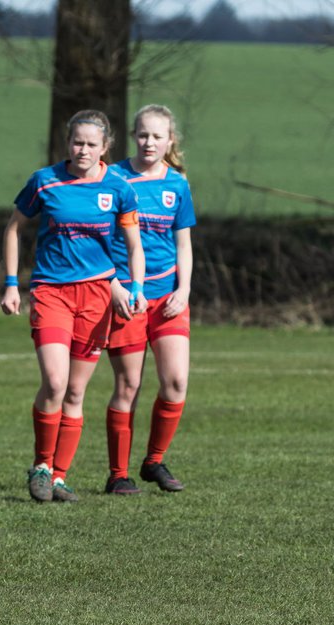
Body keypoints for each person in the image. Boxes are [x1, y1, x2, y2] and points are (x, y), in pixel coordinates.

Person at [1, 109, 146, 502]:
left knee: (76, 393)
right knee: (54, 381)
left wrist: (136, 288)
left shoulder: (119, 187)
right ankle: (42, 466)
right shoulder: (44, 182)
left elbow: (133, 244)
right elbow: (14, 228)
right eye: (76, 142)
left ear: (106, 148)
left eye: (91, 144)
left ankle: (60, 475)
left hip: (97, 297)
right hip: (51, 292)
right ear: (68, 143)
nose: (82, 150)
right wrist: (13, 283)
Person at [102, 105, 196, 495]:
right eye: (143, 135)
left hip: (169, 298)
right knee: (129, 385)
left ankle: (153, 462)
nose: (149, 142)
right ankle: (117, 474)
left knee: (175, 382)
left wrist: (184, 289)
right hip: (126, 296)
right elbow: (96, 241)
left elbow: (184, 244)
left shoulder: (178, 185)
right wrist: (115, 288)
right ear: (133, 136)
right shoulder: (113, 179)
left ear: (170, 140)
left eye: (157, 136)